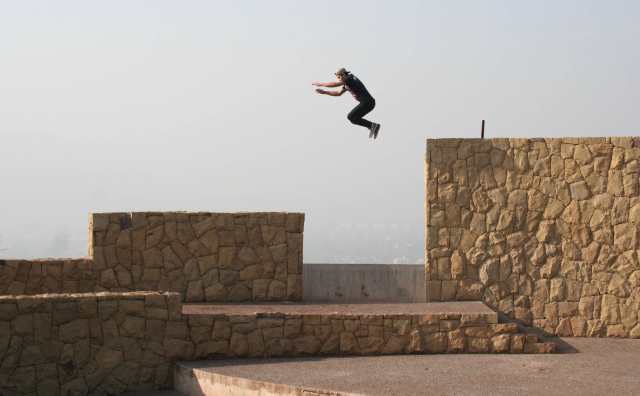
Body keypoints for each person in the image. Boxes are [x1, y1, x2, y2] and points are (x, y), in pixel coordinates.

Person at [313, 68, 381, 139]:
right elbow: (338, 93)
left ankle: (373, 126)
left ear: (344, 75)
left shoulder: (350, 79)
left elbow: (335, 84)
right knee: (353, 118)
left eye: (339, 77)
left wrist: (322, 84)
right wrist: (325, 92)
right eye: (338, 78)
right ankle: (372, 126)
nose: (339, 79)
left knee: (351, 117)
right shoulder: (347, 83)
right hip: (368, 103)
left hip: (368, 103)